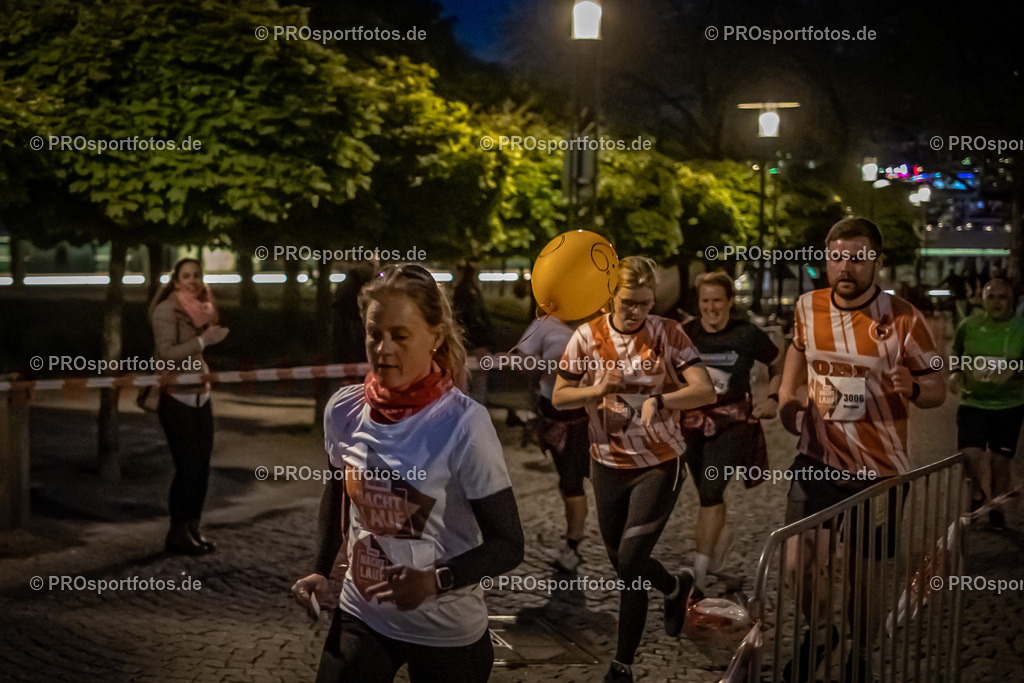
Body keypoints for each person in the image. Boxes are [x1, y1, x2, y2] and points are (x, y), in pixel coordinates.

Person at [291, 264, 524, 683]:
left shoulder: (464, 424)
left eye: (400, 336)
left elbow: (508, 545)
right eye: (374, 333)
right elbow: (339, 495)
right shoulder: (343, 410)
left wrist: (434, 580)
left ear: (434, 338)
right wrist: (322, 571)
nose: (383, 349)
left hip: (447, 633)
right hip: (362, 615)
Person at [778, 218, 946, 680]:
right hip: (817, 458)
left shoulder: (904, 317)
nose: (845, 267)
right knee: (799, 562)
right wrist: (787, 394)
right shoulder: (807, 305)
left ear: (877, 261)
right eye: (837, 257)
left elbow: (938, 388)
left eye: (857, 257)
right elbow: (797, 347)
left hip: (880, 473)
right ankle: (821, 633)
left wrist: (912, 385)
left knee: (861, 581)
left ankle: (861, 651)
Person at [552, 256, 716, 683]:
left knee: (630, 561)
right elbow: (559, 396)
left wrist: (660, 401)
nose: (636, 312)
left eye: (644, 303)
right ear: (612, 296)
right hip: (606, 463)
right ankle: (676, 587)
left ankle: (621, 667)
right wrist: (596, 388)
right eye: (628, 303)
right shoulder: (587, 336)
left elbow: (704, 389)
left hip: (660, 462)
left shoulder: (668, 333)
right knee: (623, 561)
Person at [681, 272, 781, 595]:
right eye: (705, 301)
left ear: (729, 302)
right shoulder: (687, 333)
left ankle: (698, 573)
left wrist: (774, 398)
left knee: (711, 489)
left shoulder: (746, 334)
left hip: (734, 421)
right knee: (709, 493)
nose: (711, 308)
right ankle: (716, 547)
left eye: (717, 301)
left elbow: (779, 363)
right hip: (694, 422)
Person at [149, 257, 229, 555]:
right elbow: (167, 354)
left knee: (202, 465)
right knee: (188, 466)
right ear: (176, 280)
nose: (193, 280)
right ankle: (177, 531)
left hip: (201, 395)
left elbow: (203, 343)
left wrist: (209, 338)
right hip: (176, 397)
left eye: (197, 275)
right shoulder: (165, 311)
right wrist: (202, 341)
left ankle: (193, 527)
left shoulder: (202, 307)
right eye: (187, 276)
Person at [515, 314, 593, 572]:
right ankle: (574, 539)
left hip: (587, 415)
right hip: (553, 414)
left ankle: (574, 545)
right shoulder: (544, 322)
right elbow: (520, 361)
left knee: (574, 482)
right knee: (567, 482)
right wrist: (539, 362)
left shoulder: (601, 321)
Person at [951, 278, 1024, 529]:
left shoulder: (1020, 328)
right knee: (969, 454)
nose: (996, 302)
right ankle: (977, 495)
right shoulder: (968, 326)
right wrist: (956, 372)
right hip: (973, 402)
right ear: (982, 299)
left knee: (999, 462)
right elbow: (957, 355)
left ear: (1011, 300)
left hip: (1009, 406)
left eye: (1002, 297)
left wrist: (1015, 371)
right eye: (991, 297)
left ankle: (995, 508)